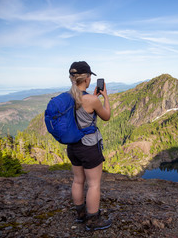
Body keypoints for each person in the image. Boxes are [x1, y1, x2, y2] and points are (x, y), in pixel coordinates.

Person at [66, 61, 111, 231]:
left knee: (78, 181)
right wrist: (104, 97)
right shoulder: (91, 100)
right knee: (93, 184)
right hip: (89, 147)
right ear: (86, 78)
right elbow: (106, 116)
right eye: (90, 76)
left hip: (73, 146)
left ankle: (80, 216)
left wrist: (93, 97)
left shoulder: (67, 98)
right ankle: (93, 221)